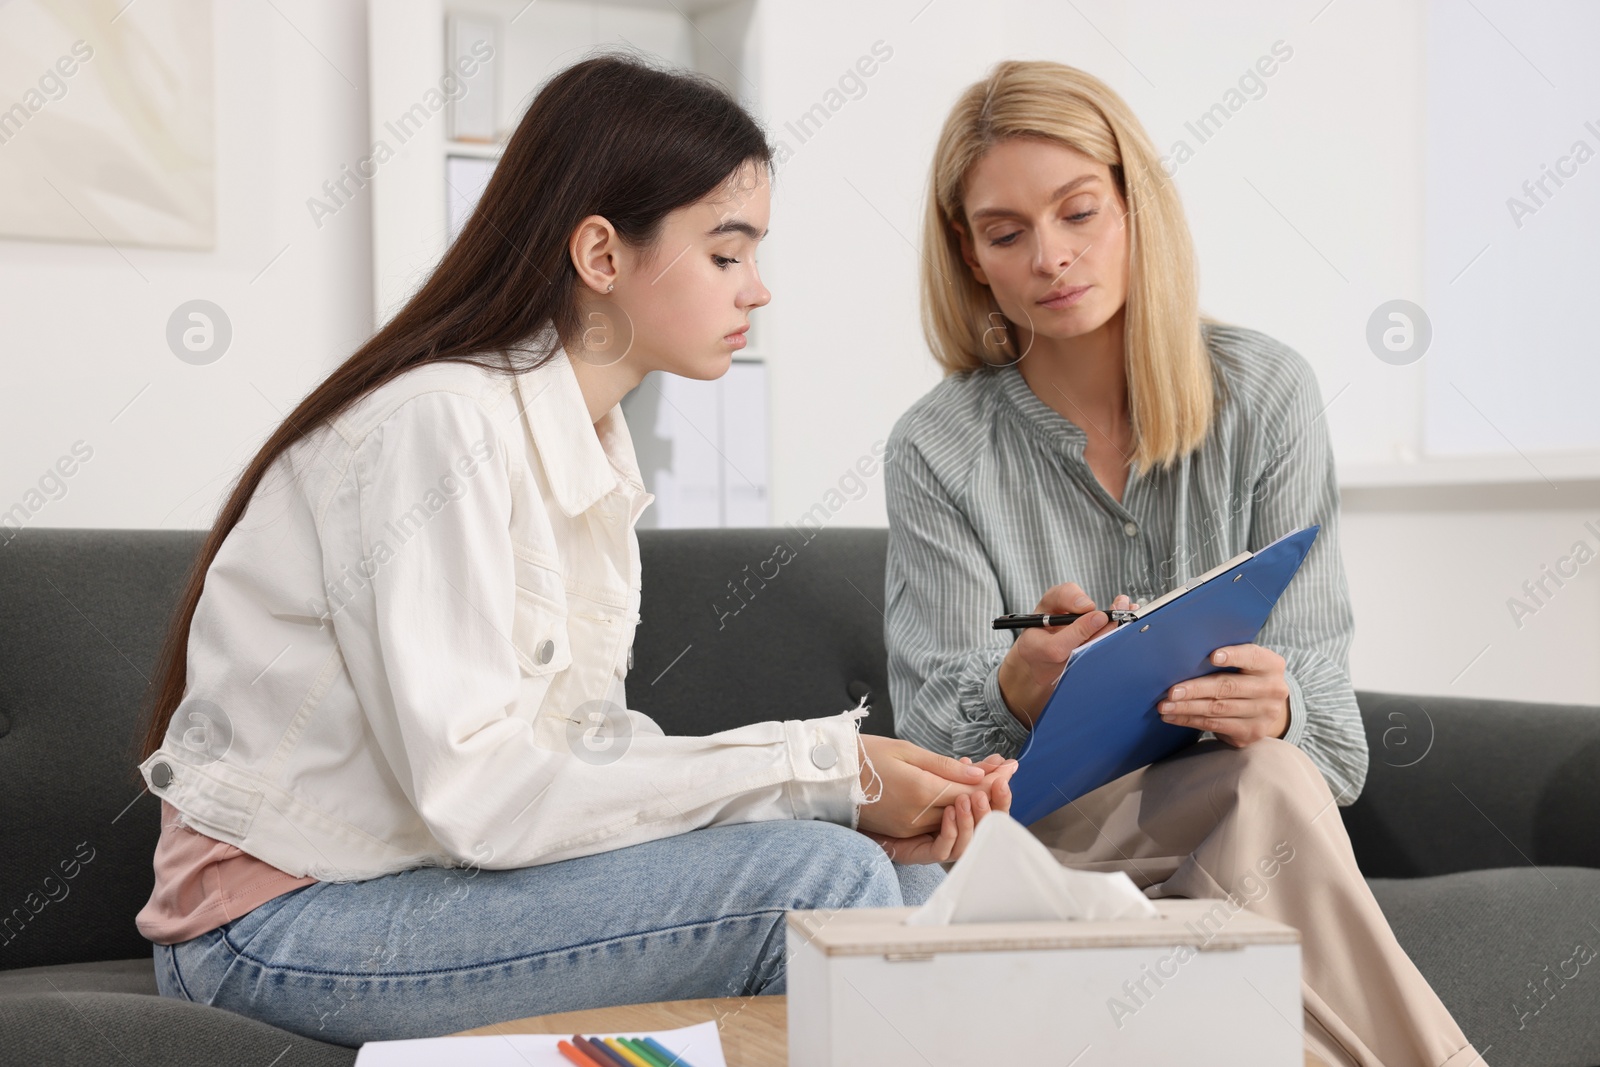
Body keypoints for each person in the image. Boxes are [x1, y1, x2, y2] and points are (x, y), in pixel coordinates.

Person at [132, 55, 1015, 1048]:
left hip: (425, 882)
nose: (757, 289)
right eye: (727, 253)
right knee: (820, 878)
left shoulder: (587, 443)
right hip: (276, 926)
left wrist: (837, 792)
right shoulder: (441, 426)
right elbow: (487, 799)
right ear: (601, 254)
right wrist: (817, 768)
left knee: (895, 867)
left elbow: (570, 760)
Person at [884, 59, 1486, 1067]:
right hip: (1037, 844)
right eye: (1005, 233)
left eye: (1079, 212)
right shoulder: (936, 448)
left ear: (1134, 204)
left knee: (1269, 781)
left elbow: (1330, 739)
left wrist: (1278, 706)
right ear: (969, 253)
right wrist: (1016, 685)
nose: (1049, 256)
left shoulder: (1265, 397)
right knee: (1266, 792)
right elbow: (932, 762)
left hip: (1240, 828)